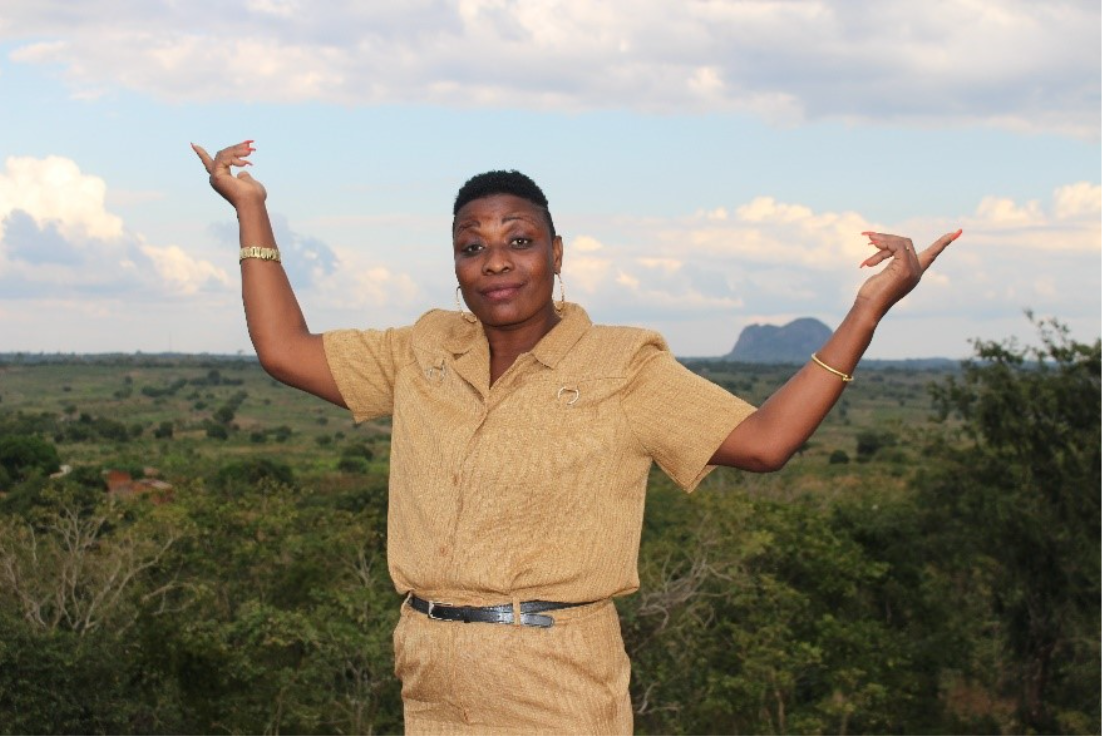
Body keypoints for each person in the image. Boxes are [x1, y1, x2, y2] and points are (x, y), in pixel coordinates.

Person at [192, 140, 960, 735]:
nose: (495, 259)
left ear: (558, 253)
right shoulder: (423, 348)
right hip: (430, 671)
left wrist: (870, 309)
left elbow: (765, 441)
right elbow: (285, 350)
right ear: (455, 263)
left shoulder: (622, 364)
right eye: (472, 245)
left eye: (519, 240)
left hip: (555, 674)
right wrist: (250, 209)